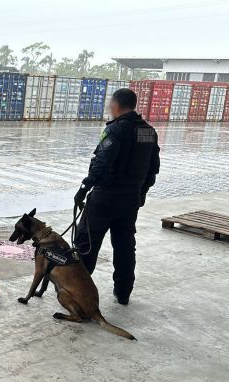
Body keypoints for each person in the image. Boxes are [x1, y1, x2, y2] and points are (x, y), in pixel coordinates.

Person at [73, 88, 160, 306]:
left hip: (105, 198)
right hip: (130, 200)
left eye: (110, 103)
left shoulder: (115, 131)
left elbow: (102, 164)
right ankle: (123, 292)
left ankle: (78, 290)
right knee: (124, 246)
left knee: (86, 244)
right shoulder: (148, 132)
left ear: (117, 105)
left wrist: (84, 189)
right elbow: (152, 169)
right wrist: (141, 193)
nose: (109, 107)